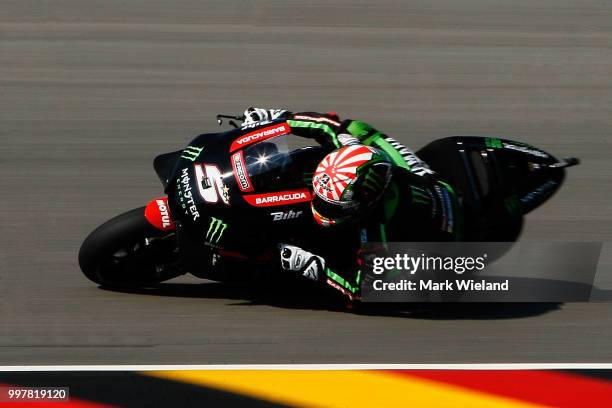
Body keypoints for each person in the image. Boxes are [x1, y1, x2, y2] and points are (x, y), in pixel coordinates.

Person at [241, 107, 461, 301]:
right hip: (415, 177)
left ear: (364, 205)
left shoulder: (377, 233)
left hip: (440, 239)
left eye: (331, 207)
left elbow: (363, 291)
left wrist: (312, 265)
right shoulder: (350, 147)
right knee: (354, 128)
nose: (320, 208)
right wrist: (276, 119)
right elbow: (327, 125)